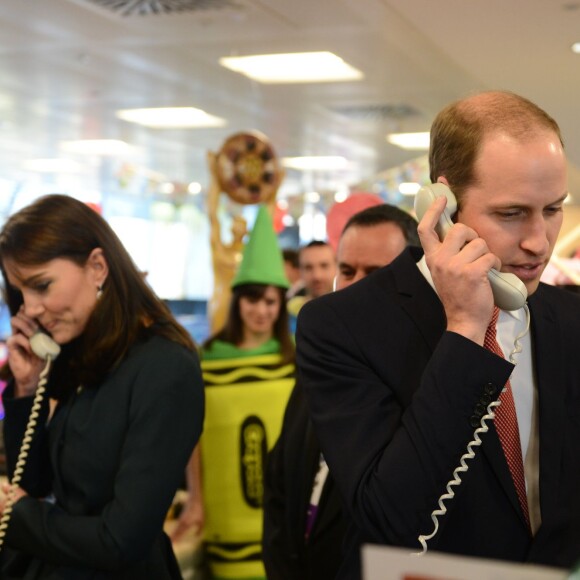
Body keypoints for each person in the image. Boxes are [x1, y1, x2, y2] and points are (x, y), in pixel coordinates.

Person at [295, 90, 580, 579]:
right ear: (441, 205)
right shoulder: (341, 324)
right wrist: (465, 330)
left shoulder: (570, 316)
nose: (539, 242)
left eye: (553, 209)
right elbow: (387, 516)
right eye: (511, 214)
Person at [0, 194, 204, 578]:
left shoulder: (164, 367)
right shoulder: (86, 356)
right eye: (19, 292)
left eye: (41, 285)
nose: (30, 308)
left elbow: (121, 539)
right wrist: (27, 390)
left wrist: (18, 513)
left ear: (97, 267)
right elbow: (39, 484)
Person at [263, 204, 419, 580]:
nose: (355, 287)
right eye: (346, 271)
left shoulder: (430, 387)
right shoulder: (318, 370)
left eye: (377, 274)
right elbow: (280, 486)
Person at [177, 205, 295, 579]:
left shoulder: (295, 359)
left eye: (270, 301)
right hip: (222, 504)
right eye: (253, 299)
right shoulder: (207, 359)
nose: (261, 310)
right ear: (237, 301)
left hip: (285, 511)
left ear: (280, 305)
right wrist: (195, 498)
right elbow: (191, 433)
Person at [287, 241, 336, 333]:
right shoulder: (287, 314)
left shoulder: (348, 313)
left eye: (324, 266)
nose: (317, 276)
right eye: (308, 267)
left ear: (336, 267)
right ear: (300, 271)